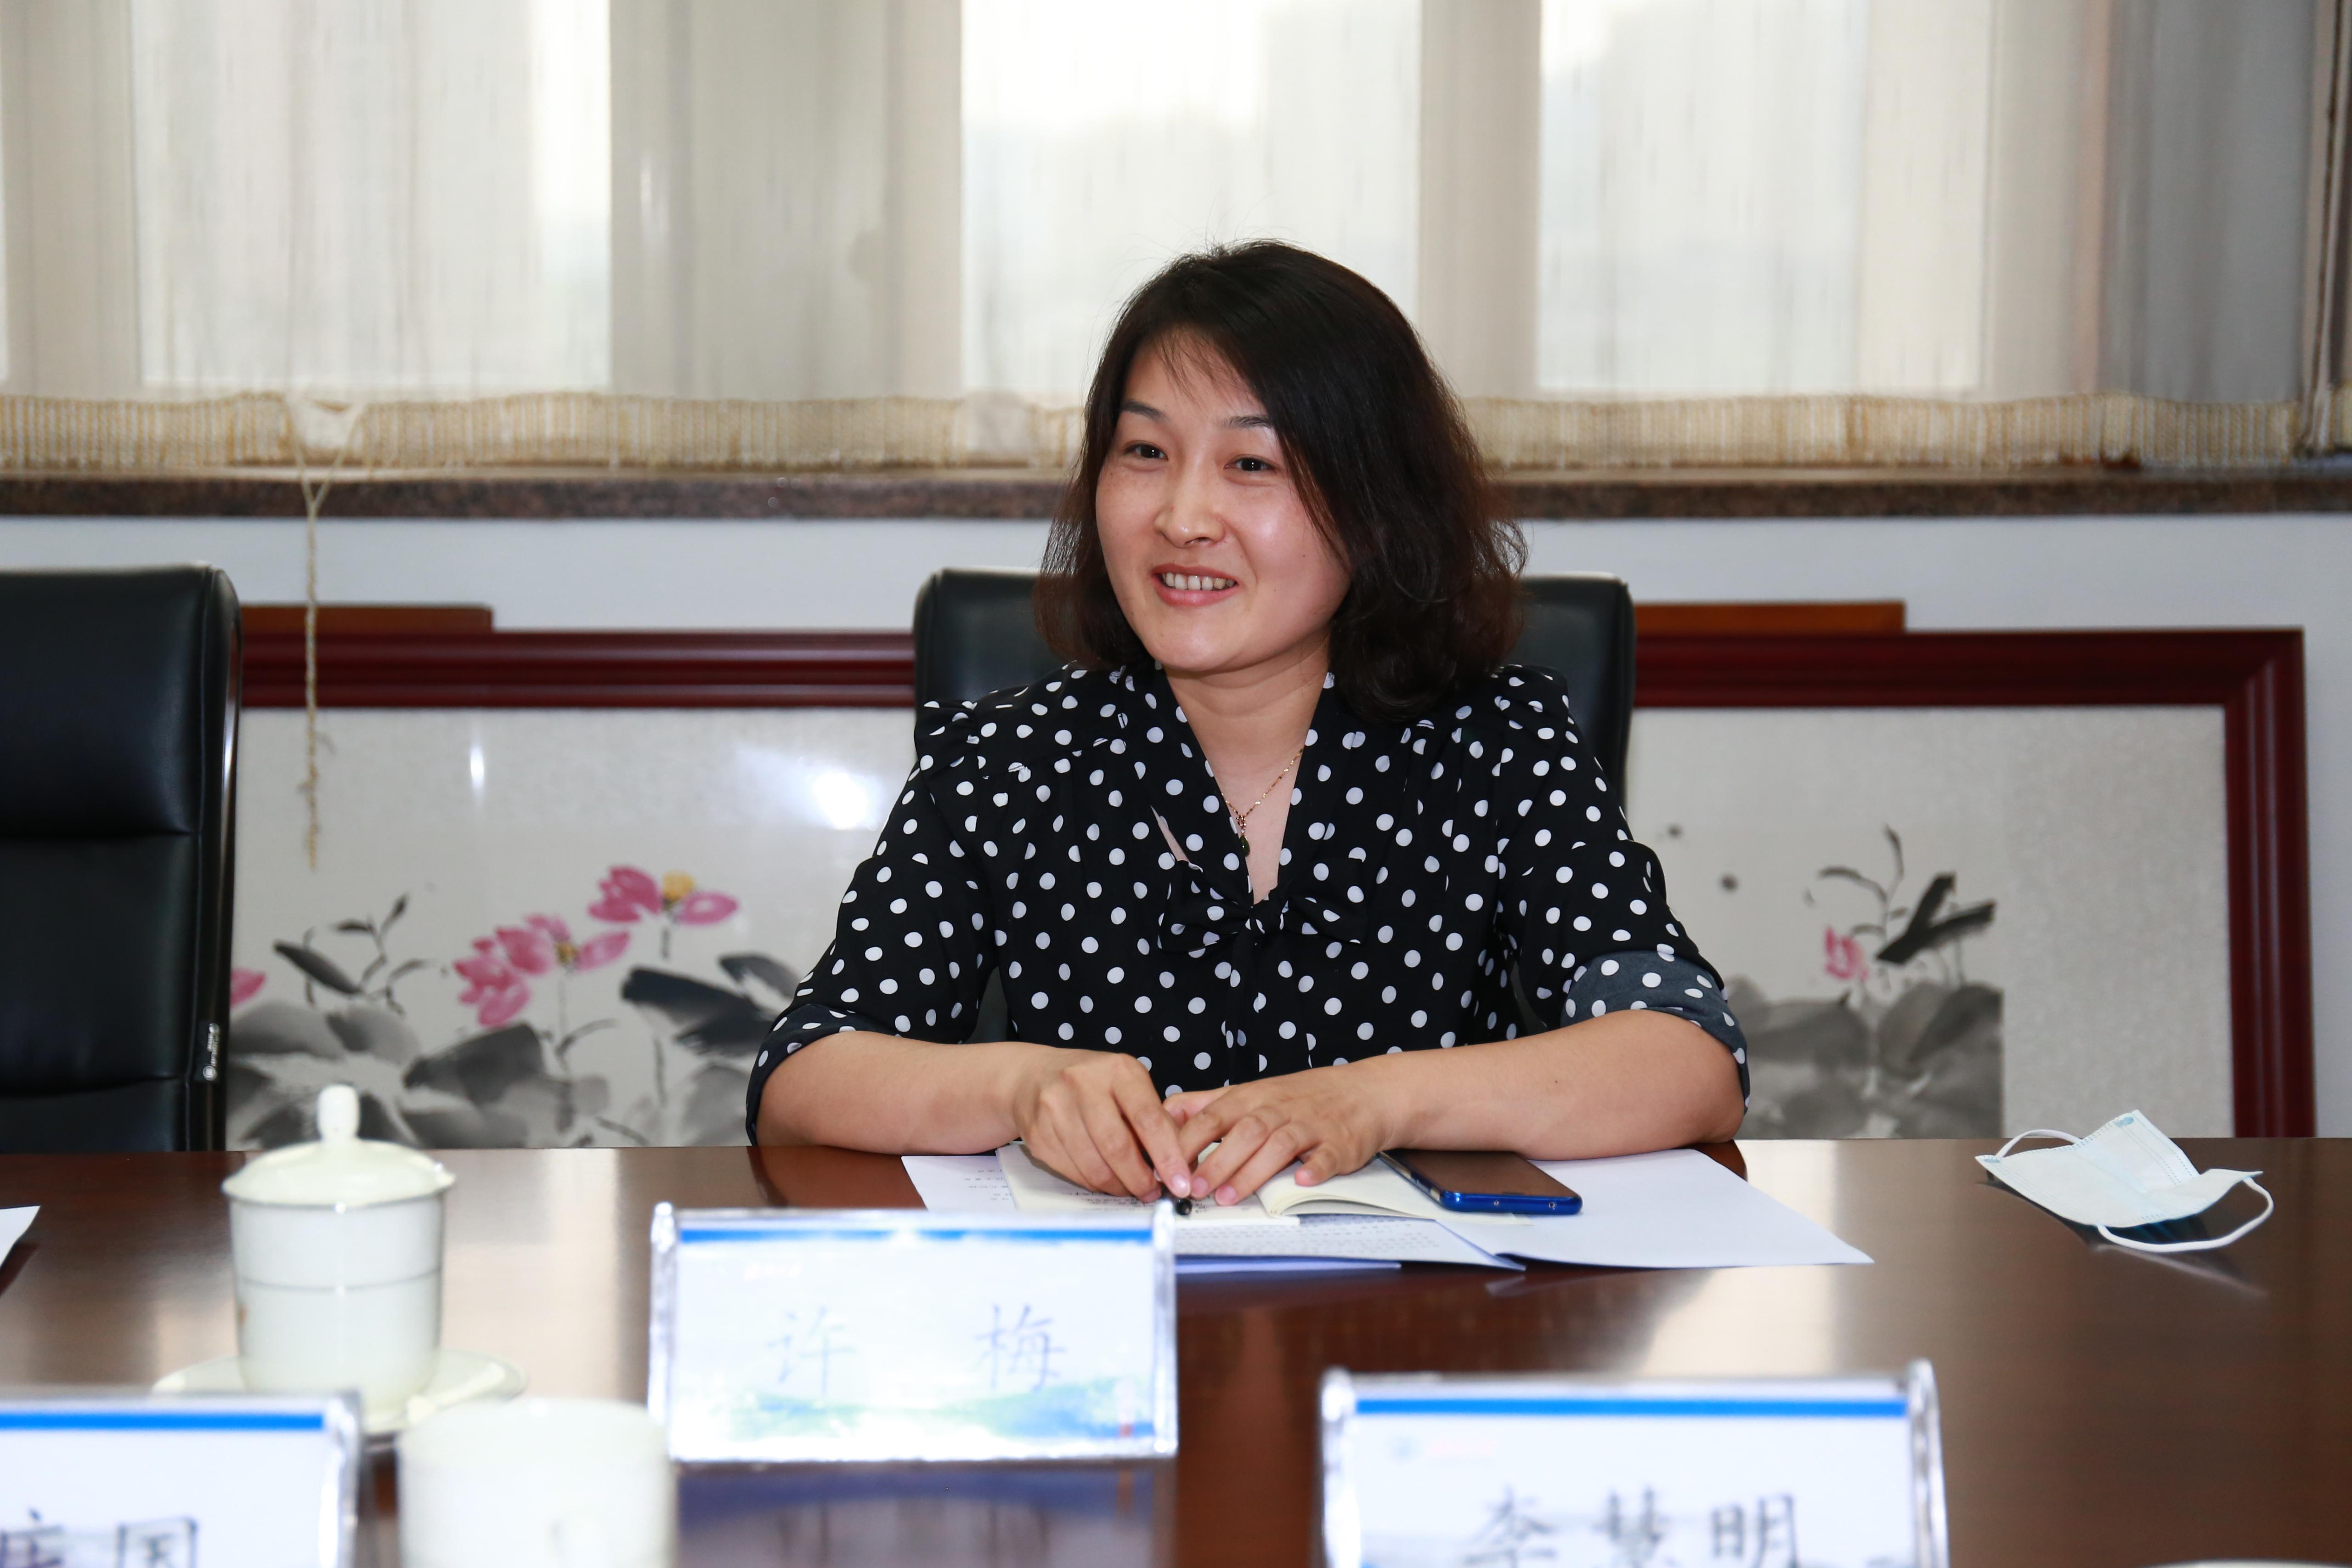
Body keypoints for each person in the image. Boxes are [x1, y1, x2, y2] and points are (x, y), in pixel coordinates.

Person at [749, 241, 1746, 1206]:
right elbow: (803, 1076)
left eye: (1252, 464)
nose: (1183, 516)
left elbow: (1688, 1054)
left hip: (1421, 1302)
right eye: (1146, 452)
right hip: (1119, 1302)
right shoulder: (1007, 761)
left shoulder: (1497, 744)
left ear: (1375, 506)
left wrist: (1373, 1099)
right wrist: (1018, 1086)